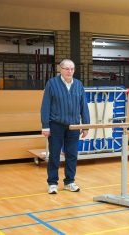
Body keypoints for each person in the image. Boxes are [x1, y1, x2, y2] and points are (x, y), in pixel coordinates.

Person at [40, 59, 90, 194]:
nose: (69, 71)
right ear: (60, 69)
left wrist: (85, 126)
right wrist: (45, 126)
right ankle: (52, 183)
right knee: (54, 154)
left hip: (73, 126)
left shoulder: (79, 85)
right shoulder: (52, 83)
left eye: (72, 69)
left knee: (72, 155)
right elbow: (45, 106)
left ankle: (69, 182)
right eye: (67, 68)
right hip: (56, 125)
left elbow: (83, 106)